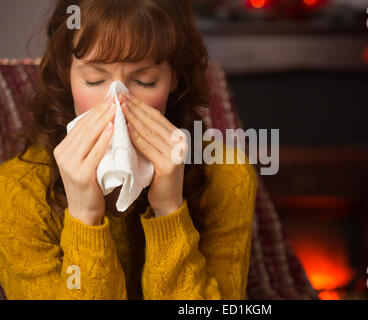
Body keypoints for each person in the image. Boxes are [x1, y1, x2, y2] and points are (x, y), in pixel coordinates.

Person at [0, 0, 257, 300]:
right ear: (66, 74)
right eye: (94, 79)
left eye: (144, 81)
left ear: (174, 78)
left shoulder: (227, 175)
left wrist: (169, 211)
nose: (117, 104)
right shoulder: (16, 192)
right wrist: (84, 217)